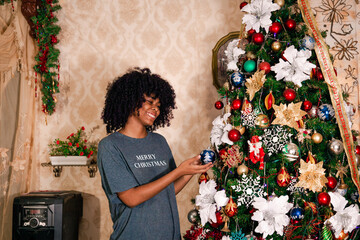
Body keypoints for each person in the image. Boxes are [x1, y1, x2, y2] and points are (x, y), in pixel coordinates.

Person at [97, 67, 213, 240]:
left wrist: (189, 172)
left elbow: (167, 191)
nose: (155, 109)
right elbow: (131, 198)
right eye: (150, 102)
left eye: (159, 105)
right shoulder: (110, 146)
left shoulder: (159, 142)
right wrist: (178, 171)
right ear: (130, 100)